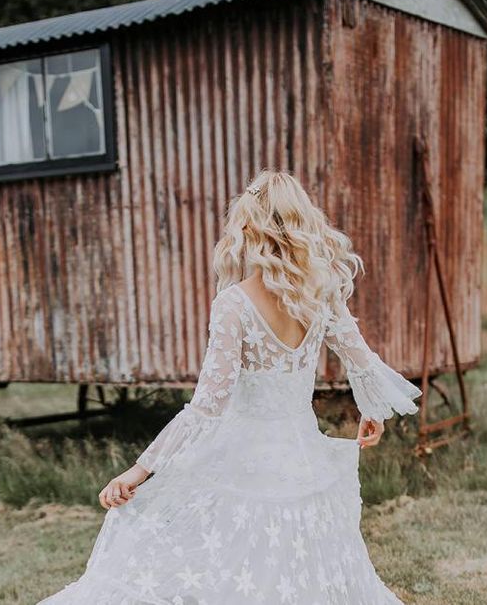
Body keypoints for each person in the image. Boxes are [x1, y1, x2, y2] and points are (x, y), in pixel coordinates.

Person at [38, 169, 422, 604]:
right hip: (302, 458)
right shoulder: (322, 293)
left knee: (225, 566)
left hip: (242, 460)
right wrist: (372, 409)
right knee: (291, 569)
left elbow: (206, 408)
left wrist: (138, 470)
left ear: (250, 228)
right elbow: (360, 358)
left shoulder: (234, 304)